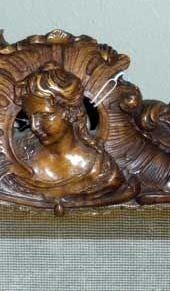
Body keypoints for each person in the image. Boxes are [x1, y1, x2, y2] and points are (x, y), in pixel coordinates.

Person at [15, 61, 124, 200]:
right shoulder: (21, 156)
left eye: (45, 115)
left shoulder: (102, 170)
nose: (34, 126)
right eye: (29, 116)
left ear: (71, 112)